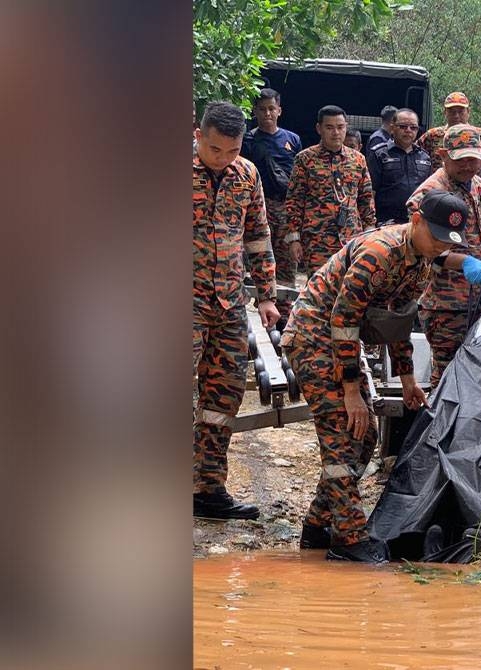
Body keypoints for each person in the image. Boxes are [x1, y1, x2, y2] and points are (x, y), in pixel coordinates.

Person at [280, 190, 481, 562]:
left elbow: (399, 322)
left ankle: (318, 525)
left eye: (448, 240)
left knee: (365, 438)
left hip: (344, 339)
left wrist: (408, 380)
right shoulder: (379, 253)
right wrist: (350, 391)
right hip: (314, 335)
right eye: (437, 235)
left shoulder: (423, 259)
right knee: (343, 434)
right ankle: (349, 540)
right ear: (417, 220)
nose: (441, 244)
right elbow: (341, 320)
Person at [193, 101, 280, 520]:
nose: (224, 159)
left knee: (222, 397)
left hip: (228, 303)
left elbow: (258, 235)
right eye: (215, 150)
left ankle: (206, 488)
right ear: (198, 135)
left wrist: (265, 294)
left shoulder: (246, 174)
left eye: (232, 151)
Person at [407, 125, 481, 387]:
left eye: (473, 160)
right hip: (445, 301)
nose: (468, 166)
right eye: (461, 160)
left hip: (475, 297)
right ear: (444, 155)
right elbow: (423, 247)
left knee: (471, 367)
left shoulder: (477, 185)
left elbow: (480, 233)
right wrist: (463, 261)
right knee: (446, 373)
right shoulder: (430, 193)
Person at [284, 105, 377, 275]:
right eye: (329, 127)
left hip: (351, 238)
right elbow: (294, 201)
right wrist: (293, 239)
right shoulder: (305, 159)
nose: (336, 132)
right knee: (317, 290)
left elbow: (366, 198)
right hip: (317, 240)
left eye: (340, 127)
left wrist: (369, 233)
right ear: (319, 129)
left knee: (349, 288)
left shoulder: (358, 159)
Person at [240, 88, 303, 326]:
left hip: (285, 208)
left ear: (279, 110)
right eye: (262, 109)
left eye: (271, 108)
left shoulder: (292, 140)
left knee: (286, 265)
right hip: (257, 208)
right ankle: (259, 316)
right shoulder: (248, 140)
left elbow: (298, 178)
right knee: (257, 260)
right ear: (255, 112)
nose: (267, 113)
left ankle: (284, 320)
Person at [368, 108, 433, 225]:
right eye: (403, 126)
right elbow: (369, 193)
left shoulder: (425, 157)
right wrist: (370, 223)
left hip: (416, 222)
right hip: (386, 223)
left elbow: (428, 192)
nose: (408, 131)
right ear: (392, 128)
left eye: (413, 127)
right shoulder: (379, 154)